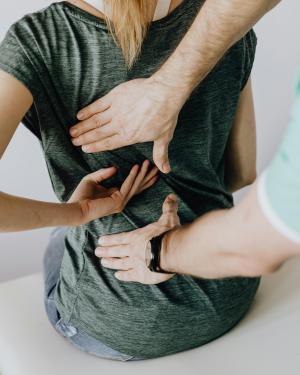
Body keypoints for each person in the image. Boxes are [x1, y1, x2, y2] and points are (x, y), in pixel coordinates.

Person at [0, 0, 259, 361]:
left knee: (60, 235)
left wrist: (78, 212)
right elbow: (241, 173)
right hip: (229, 289)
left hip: (123, 326)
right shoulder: (223, 19)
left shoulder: (37, 40)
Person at [97, 72, 300, 281]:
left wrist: (160, 250)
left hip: (124, 286)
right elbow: (243, 175)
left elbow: (256, 246)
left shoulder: (68, 51)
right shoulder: (239, 43)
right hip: (228, 281)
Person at [70, 0, 281, 173]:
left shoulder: (46, 36)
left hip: (94, 225)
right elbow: (243, 174)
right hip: (207, 218)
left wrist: (79, 213)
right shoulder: (226, 22)